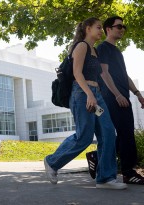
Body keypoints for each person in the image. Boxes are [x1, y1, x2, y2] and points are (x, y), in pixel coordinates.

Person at [44, 17, 127, 189]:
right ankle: (52, 162)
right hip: (82, 95)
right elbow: (77, 73)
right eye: (97, 27)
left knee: (108, 132)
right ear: (88, 28)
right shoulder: (81, 46)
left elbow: (99, 76)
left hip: (96, 97)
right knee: (84, 137)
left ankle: (105, 178)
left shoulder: (95, 51)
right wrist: (90, 94)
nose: (100, 31)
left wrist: (96, 95)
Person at [86, 16, 144, 185]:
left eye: (123, 26)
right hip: (111, 97)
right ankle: (128, 172)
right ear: (108, 29)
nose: (122, 29)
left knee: (121, 134)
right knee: (126, 133)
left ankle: (96, 156)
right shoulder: (103, 48)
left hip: (121, 96)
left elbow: (124, 76)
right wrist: (117, 95)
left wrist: (137, 94)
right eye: (118, 26)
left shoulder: (117, 51)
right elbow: (104, 73)